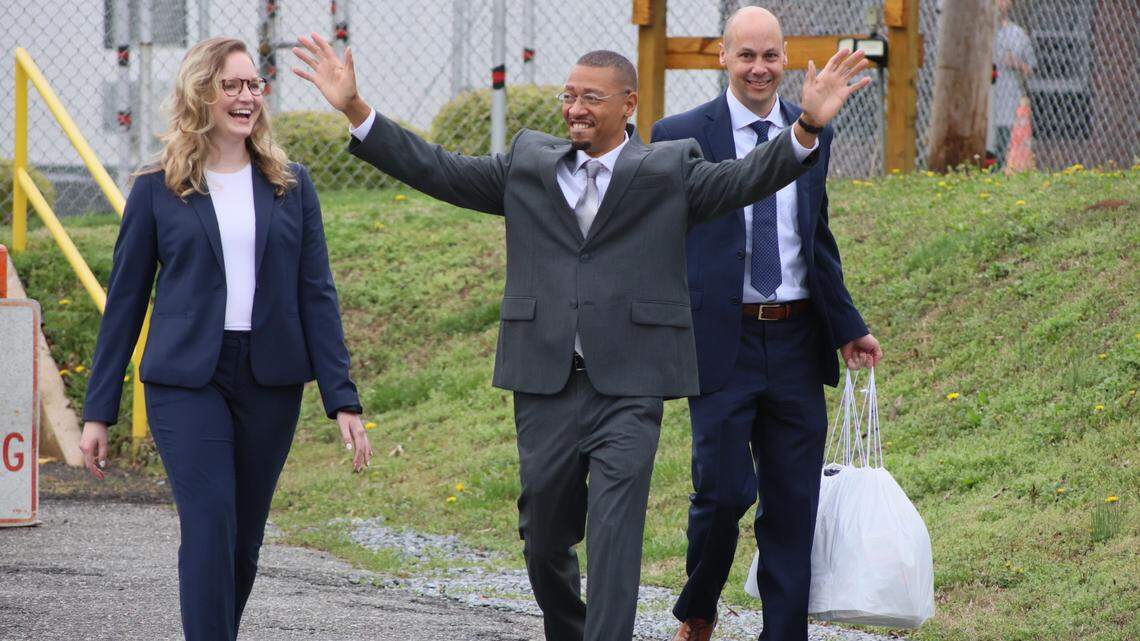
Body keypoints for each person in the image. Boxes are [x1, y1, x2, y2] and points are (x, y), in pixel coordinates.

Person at [291, 32, 868, 641]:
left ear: (629, 106)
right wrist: (356, 109)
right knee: (544, 538)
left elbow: (744, 180)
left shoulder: (667, 170)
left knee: (616, 540)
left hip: (629, 386)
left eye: (591, 97)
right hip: (545, 383)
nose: (575, 108)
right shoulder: (528, 165)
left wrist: (804, 126)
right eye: (569, 96)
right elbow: (438, 169)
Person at [78, 37, 372, 641]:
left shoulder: (293, 184)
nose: (247, 97)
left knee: (242, 540)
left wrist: (342, 398)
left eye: (254, 86)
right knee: (209, 525)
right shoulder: (157, 187)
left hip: (270, 379)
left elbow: (316, 293)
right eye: (232, 85)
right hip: (187, 381)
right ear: (200, 94)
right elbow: (126, 303)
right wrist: (98, 410)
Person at [650, 7, 881, 641]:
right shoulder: (680, 132)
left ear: (785, 60)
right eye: (746, 55)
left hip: (797, 339)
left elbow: (816, 238)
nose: (759, 68)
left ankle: (785, 633)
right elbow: (661, 239)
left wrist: (845, 324)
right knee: (722, 494)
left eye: (771, 56)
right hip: (722, 341)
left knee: (792, 501)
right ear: (722, 57)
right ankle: (699, 606)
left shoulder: (815, 131)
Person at [988, 0, 1035, 168]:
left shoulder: (1018, 34)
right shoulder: (980, 31)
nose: (999, 3)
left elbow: (1031, 69)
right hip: (982, 102)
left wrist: (1016, 63)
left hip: (1006, 104)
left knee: (999, 150)